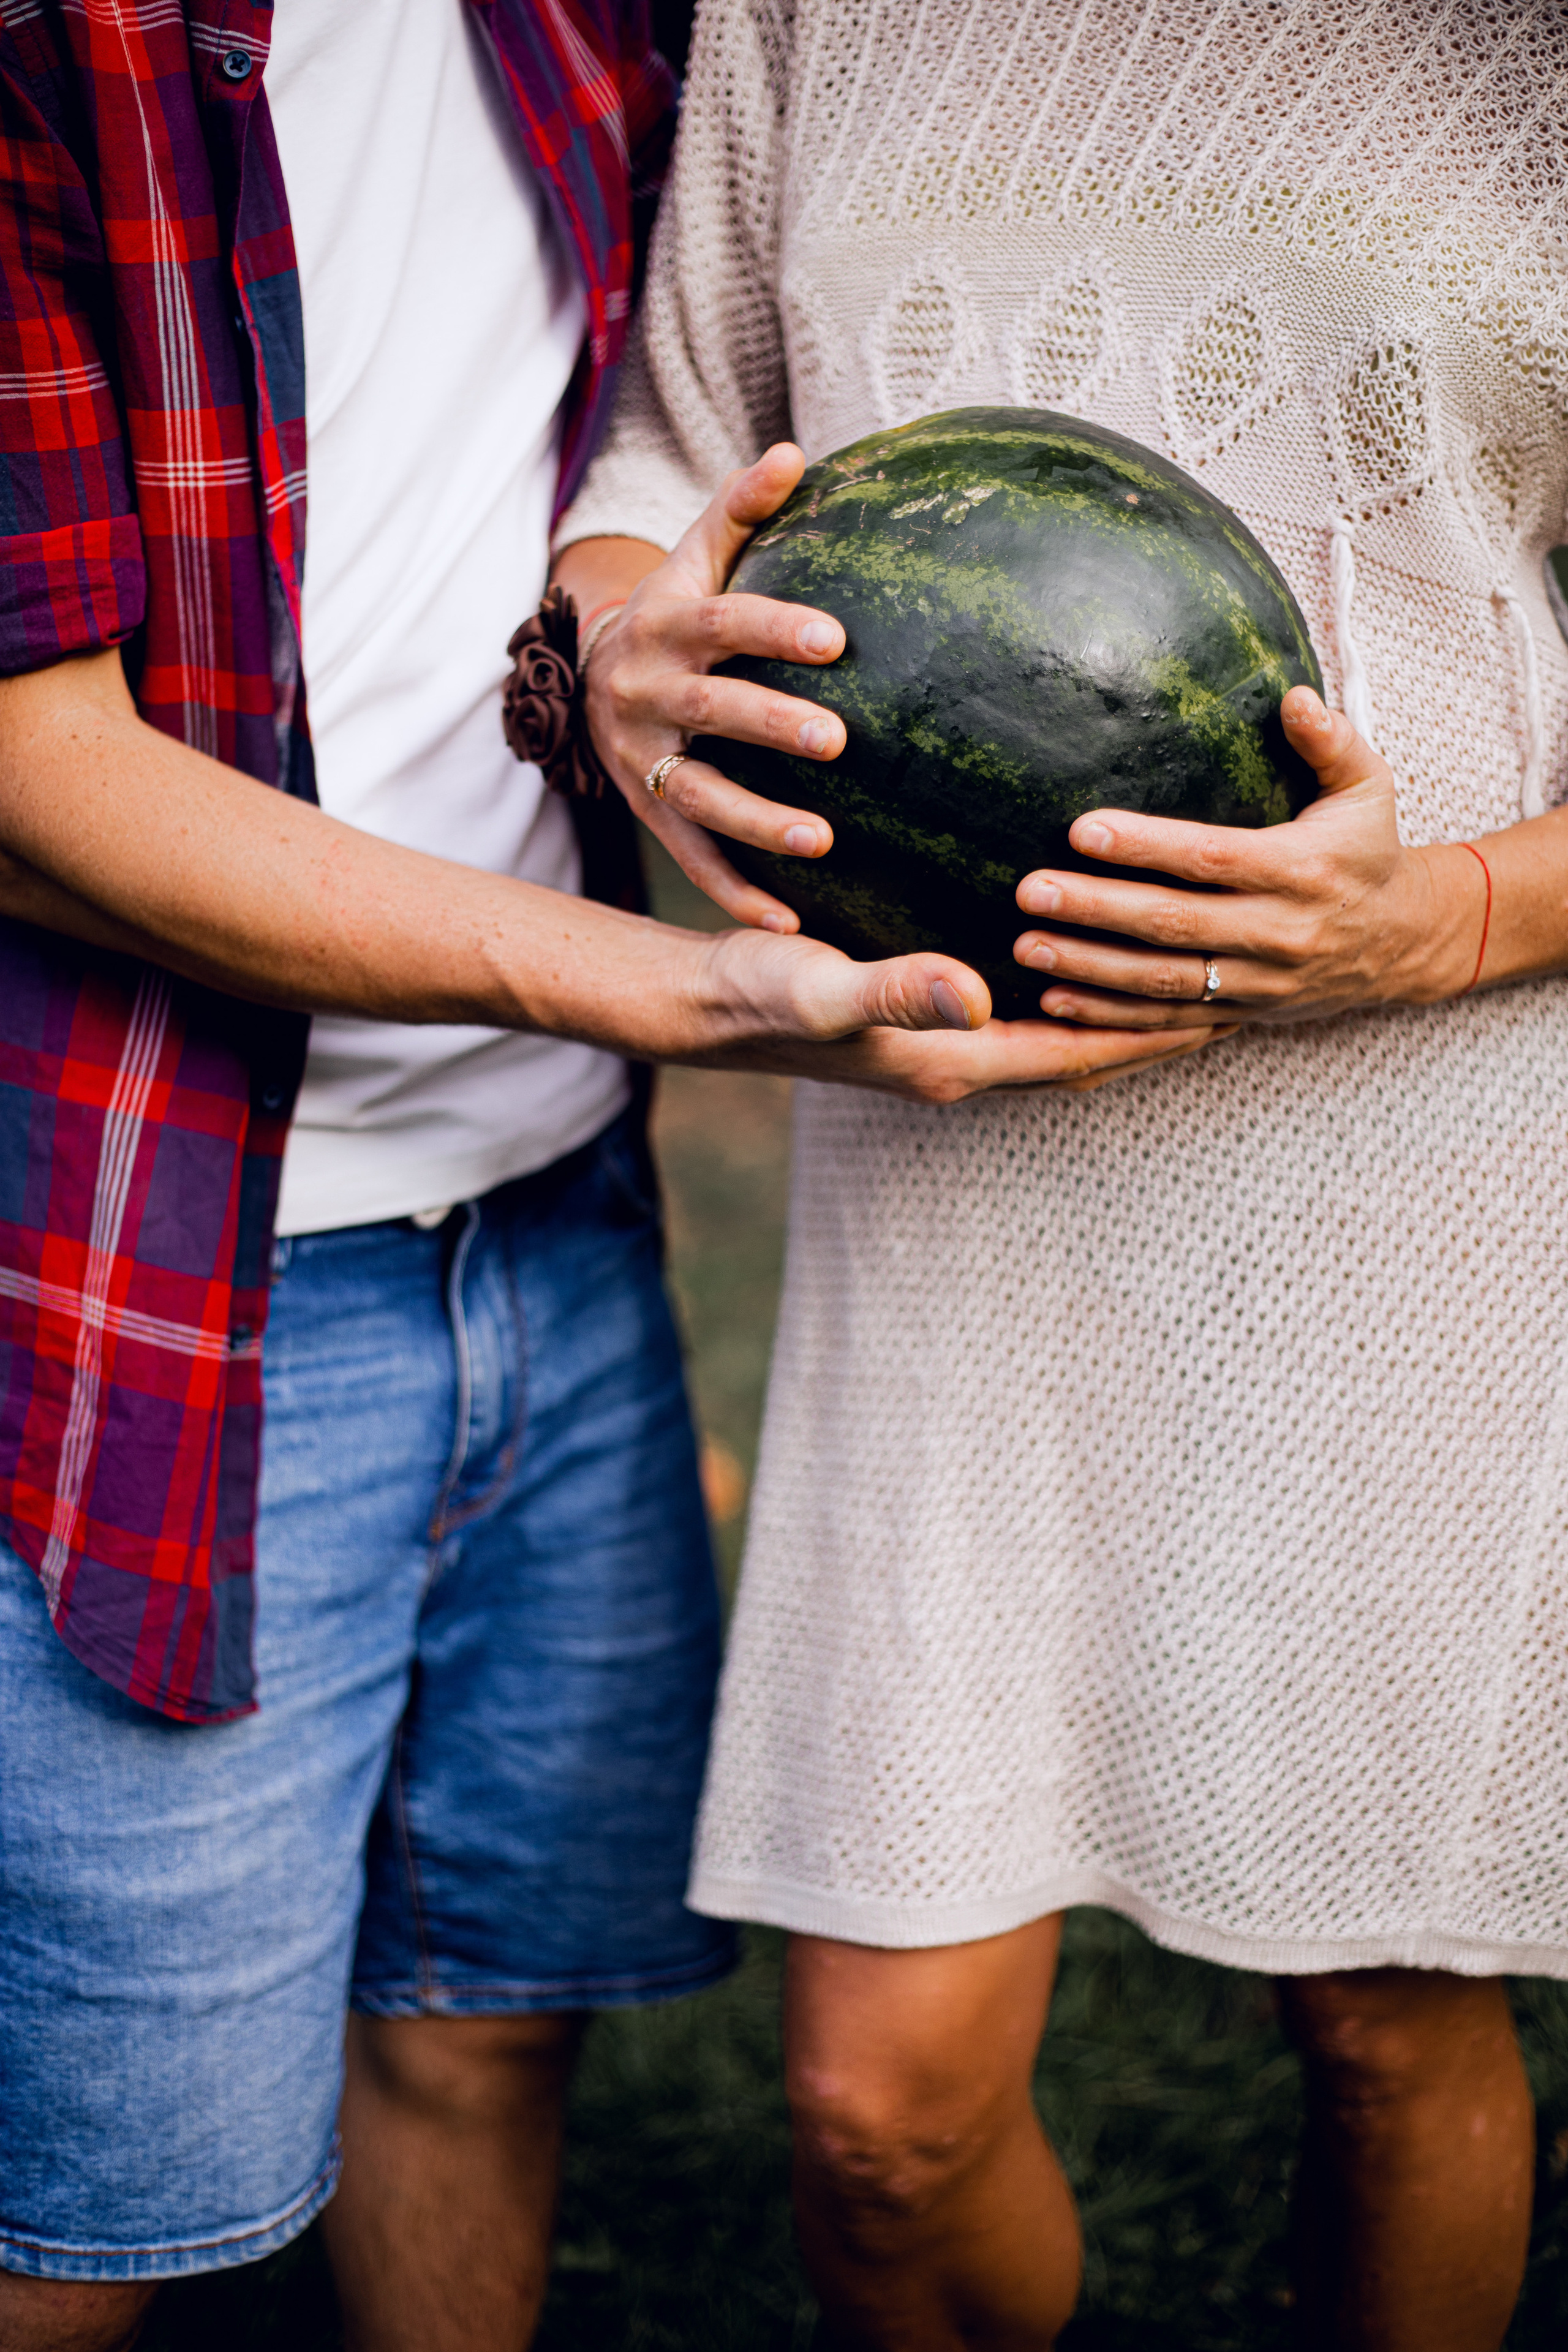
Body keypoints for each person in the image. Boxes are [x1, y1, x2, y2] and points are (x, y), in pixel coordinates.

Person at [0, 5, 1187, 2351]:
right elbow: (28, 760)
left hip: (549, 1223)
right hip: (159, 1264)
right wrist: (656, 994)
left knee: (479, 2028)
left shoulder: (585, 9)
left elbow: (628, 431)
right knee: (87, 2229)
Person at [557, 1, 1568, 2345]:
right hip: (953, 1164)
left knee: (1385, 2018)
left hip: (1414, 1133)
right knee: (878, 2115)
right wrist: (619, 639)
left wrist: (1449, 917)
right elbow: (661, 435)